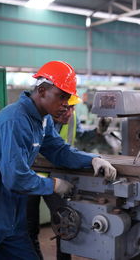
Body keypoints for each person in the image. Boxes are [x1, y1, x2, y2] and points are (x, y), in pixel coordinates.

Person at [0, 60, 117, 260]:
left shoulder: (42, 119)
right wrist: (53, 184)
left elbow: (58, 150)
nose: (66, 103)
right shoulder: (14, 120)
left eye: (68, 97)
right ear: (43, 90)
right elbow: (14, 177)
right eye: (62, 96)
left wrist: (92, 160)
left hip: (9, 205)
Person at [27, 94, 112, 260]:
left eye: (72, 107)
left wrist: (98, 133)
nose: (69, 112)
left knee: (65, 221)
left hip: (58, 177)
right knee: (28, 227)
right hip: (30, 178)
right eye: (66, 107)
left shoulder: (71, 118)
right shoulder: (37, 121)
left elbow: (77, 140)